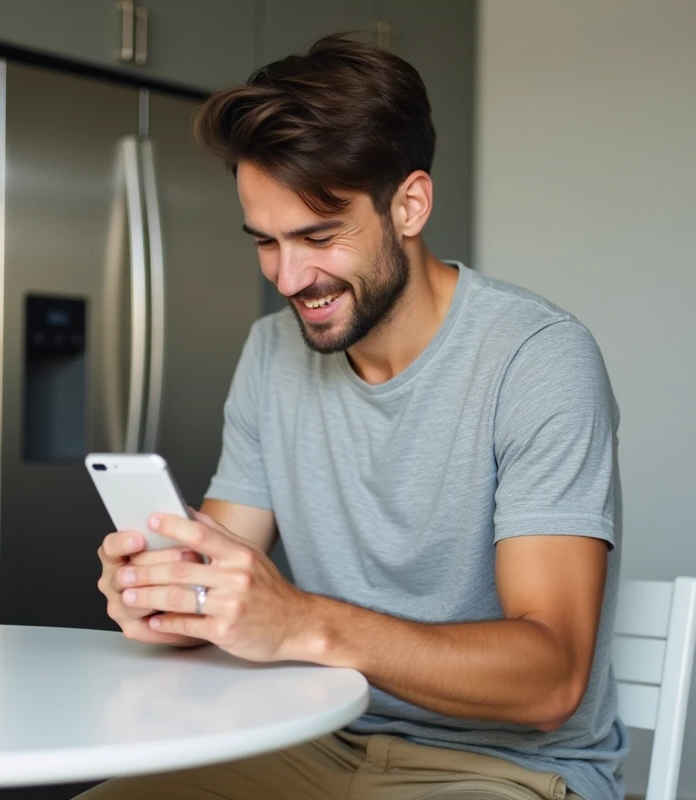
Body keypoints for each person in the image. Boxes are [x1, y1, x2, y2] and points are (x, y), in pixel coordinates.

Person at [84, 33, 626, 800]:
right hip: (302, 738)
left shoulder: (536, 359)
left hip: (501, 770)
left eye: (319, 237)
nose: (288, 278)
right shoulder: (271, 353)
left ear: (409, 204)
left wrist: (302, 621)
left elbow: (552, 680)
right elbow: (224, 582)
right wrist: (173, 599)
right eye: (266, 242)